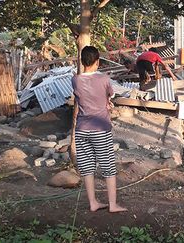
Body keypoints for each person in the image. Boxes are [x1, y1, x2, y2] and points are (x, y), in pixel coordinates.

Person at [72, 46, 127, 213]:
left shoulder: (75, 79)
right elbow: (108, 94)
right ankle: (112, 205)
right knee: (108, 167)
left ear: (82, 61)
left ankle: (93, 203)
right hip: (100, 128)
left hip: (81, 129)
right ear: (97, 62)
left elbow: (81, 98)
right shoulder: (104, 79)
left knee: (87, 167)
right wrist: (106, 103)